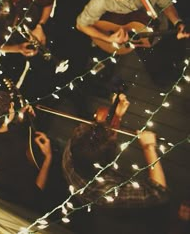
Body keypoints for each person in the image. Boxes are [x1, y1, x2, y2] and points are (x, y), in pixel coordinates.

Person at [62, 94, 170, 233]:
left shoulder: (73, 147)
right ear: (108, 160)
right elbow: (158, 192)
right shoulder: (105, 190)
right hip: (113, 216)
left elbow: (97, 137)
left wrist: (116, 115)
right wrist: (148, 147)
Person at [76, 0, 189, 86]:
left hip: (162, 26)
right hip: (140, 41)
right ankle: (163, 82)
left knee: (176, 53)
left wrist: (177, 23)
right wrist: (109, 39)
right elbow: (80, 24)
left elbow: (167, 5)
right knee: (156, 70)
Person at [0, 90, 67, 212]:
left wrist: (19, 117)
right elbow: (35, 193)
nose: (13, 105)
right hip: (34, 177)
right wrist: (48, 158)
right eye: (11, 106)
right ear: (6, 118)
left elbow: (8, 130)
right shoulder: (12, 154)